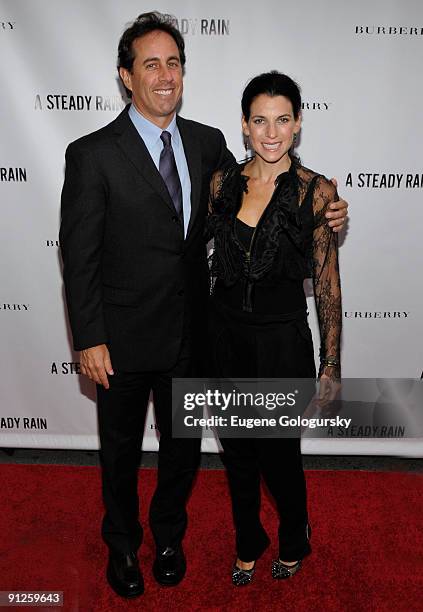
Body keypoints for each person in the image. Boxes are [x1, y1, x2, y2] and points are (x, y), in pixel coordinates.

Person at [59, 12, 347, 598]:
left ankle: (167, 537)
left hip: (196, 338)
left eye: (174, 64)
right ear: (125, 76)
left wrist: (329, 213)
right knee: (118, 454)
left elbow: (263, 193)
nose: (165, 76)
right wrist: (88, 337)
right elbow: (77, 254)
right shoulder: (91, 154)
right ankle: (122, 548)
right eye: (151, 64)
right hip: (119, 341)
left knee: (182, 452)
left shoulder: (206, 144)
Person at [207, 71, 342, 585]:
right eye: (259, 120)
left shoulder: (316, 192)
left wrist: (330, 363)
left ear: (298, 123)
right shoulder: (223, 183)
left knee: (279, 456)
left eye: (282, 119)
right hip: (226, 340)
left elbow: (327, 286)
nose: (271, 132)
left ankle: (293, 535)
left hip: (282, 343)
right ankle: (248, 540)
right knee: (237, 452)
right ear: (244, 125)